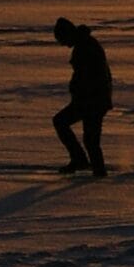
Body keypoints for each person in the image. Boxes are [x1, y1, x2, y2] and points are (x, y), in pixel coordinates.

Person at [52, 17, 111, 176]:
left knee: (89, 139)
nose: (62, 44)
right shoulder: (84, 44)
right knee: (64, 124)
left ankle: (96, 170)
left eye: (62, 39)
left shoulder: (86, 47)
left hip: (92, 101)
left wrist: (82, 93)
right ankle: (81, 160)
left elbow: (91, 76)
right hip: (89, 100)